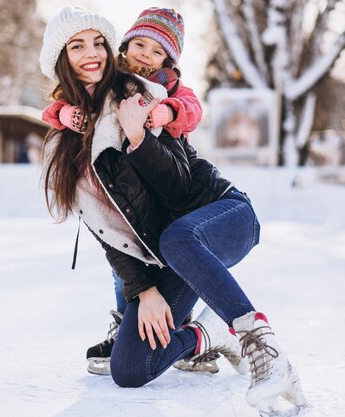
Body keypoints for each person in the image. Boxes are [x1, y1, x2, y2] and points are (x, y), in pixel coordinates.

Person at [39, 6, 307, 415]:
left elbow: (180, 188)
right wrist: (143, 291)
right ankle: (209, 334)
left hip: (219, 214)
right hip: (170, 253)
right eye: (77, 45)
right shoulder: (65, 141)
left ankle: (262, 347)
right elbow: (106, 230)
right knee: (128, 368)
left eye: (98, 43)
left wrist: (137, 135)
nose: (90, 53)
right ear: (61, 58)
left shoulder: (140, 95)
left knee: (177, 236)